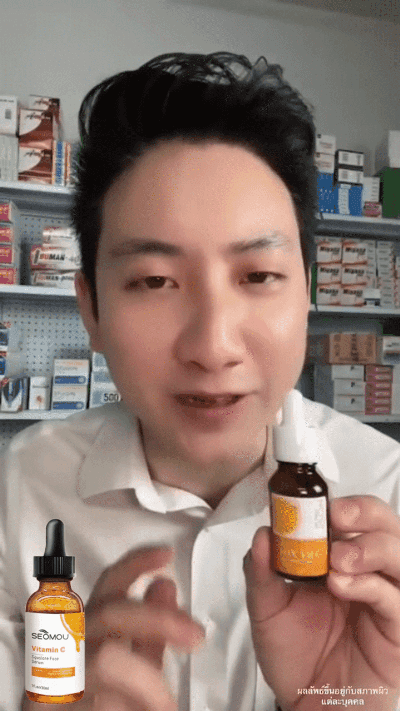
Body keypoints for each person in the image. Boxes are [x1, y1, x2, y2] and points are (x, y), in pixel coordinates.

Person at [1, 51, 400, 711]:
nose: (213, 347)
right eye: (155, 281)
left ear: (307, 295)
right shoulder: (20, 492)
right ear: (91, 310)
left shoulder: (387, 495)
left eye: (258, 276)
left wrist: (344, 700)